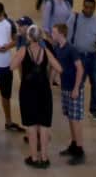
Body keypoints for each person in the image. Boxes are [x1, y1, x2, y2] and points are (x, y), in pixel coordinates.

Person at [12, 24, 61, 168]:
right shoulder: (45, 51)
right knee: (44, 124)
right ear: (40, 37)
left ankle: (33, 157)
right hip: (44, 90)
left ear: (28, 36)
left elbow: (11, 66)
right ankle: (45, 157)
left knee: (31, 125)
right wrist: (50, 78)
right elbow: (58, 67)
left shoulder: (23, 50)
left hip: (28, 90)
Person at [0, 2, 24, 132]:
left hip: (6, 65)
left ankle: (8, 121)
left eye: (0, 16)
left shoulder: (9, 24)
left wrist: (8, 46)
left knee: (6, 95)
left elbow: (15, 40)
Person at [68, 0, 96, 121]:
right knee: (79, 83)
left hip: (93, 57)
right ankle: (75, 106)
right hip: (79, 57)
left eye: (91, 8)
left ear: (94, 8)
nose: (88, 10)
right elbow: (67, 37)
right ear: (82, 6)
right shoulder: (74, 19)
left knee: (95, 84)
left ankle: (94, 109)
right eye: (86, 7)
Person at [51, 22, 86, 164]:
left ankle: (79, 149)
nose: (52, 35)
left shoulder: (71, 49)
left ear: (61, 33)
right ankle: (73, 144)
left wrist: (76, 88)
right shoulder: (57, 48)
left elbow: (80, 69)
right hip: (65, 88)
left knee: (75, 119)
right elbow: (56, 67)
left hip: (73, 88)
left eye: (53, 32)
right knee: (70, 117)